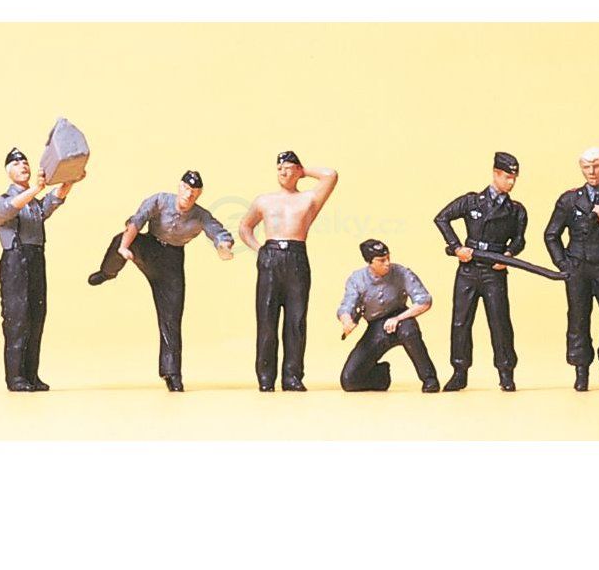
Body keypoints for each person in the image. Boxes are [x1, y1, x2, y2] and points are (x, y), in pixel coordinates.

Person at [87, 170, 234, 392]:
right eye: (186, 189)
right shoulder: (160, 200)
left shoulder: (200, 215)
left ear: (199, 194)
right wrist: (125, 247)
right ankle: (107, 272)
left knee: (171, 317)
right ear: (180, 186)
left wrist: (223, 246)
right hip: (149, 246)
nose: (189, 195)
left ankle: (171, 373)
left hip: (171, 262)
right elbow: (137, 220)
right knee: (120, 240)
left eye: (194, 192)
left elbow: (219, 232)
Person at [238, 151, 338, 391]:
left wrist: (303, 170)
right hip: (271, 256)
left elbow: (330, 175)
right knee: (266, 319)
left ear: (298, 170)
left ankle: (292, 376)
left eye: (288, 167)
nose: (283, 172)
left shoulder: (309, 199)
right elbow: (245, 227)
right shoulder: (264, 200)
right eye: (279, 168)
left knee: (296, 320)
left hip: (296, 256)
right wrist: (260, 249)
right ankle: (265, 377)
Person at [0, 147, 83, 392]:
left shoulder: (33, 204)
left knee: (36, 318)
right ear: (8, 171)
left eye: (25, 162)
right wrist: (36, 189)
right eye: (16, 163)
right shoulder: (2, 201)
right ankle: (16, 377)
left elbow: (52, 201)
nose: (23, 166)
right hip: (15, 263)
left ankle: (31, 374)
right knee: (17, 320)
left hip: (36, 261)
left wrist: (69, 179)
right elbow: (5, 211)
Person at [433, 152, 528, 391]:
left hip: (494, 271)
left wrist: (508, 255)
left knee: (500, 322)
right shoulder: (472, 201)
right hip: (469, 269)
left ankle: (506, 372)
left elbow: (519, 240)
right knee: (461, 321)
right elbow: (442, 218)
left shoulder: (516, 210)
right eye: (507, 177)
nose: (511, 182)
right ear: (496, 174)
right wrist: (457, 247)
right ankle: (459, 371)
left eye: (514, 178)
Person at [544, 147, 599, 391]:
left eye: (597, 165)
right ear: (581, 169)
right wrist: (563, 264)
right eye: (587, 166)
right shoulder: (569, 200)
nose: (592, 171)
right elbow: (551, 234)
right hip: (578, 268)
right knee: (578, 319)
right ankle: (580, 371)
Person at [337, 240, 440, 393]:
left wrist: (398, 319)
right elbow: (347, 305)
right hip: (376, 326)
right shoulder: (357, 279)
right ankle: (381, 376)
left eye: (388, 258)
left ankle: (429, 379)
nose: (387, 263)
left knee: (409, 332)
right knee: (349, 380)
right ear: (370, 262)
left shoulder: (402, 273)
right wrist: (347, 321)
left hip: (401, 317)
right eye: (381, 260)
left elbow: (424, 301)